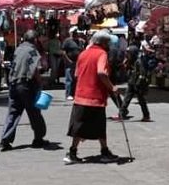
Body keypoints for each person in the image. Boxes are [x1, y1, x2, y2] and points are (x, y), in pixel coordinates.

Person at [64, 30, 121, 164]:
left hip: (81, 95)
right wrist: (111, 87)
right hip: (95, 96)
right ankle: (104, 152)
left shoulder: (83, 53)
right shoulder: (102, 54)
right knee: (100, 126)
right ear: (103, 43)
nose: (109, 45)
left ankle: (72, 152)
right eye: (108, 42)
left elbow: (76, 74)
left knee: (78, 126)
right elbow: (101, 72)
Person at [0, 30, 48, 151]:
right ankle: (38, 138)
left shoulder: (18, 49)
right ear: (35, 40)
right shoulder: (32, 51)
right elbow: (34, 69)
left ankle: (5, 139)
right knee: (34, 112)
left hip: (13, 83)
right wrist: (40, 83)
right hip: (26, 85)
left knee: (13, 112)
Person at [117, 45, 151, 122]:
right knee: (126, 99)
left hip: (137, 84)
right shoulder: (130, 61)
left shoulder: (139, 61)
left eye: (129, 53)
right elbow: (127, 70)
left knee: (141, 100)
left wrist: (138, 83)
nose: (127, 55)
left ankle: (146, 115)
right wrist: (125, 64)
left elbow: (142, 73)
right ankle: (121, 114)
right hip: (131, 83)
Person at [61, 27, 82, 101]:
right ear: (71, 33)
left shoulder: (79, 41)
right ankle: (69, 94)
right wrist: (68, 60)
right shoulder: (67, 41)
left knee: (76, 78)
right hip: (70, 62)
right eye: (73, 33)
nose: (75, 34)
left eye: (76, 33)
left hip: (78, 62)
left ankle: (75, 93)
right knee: (69, 78)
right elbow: (63, 52)